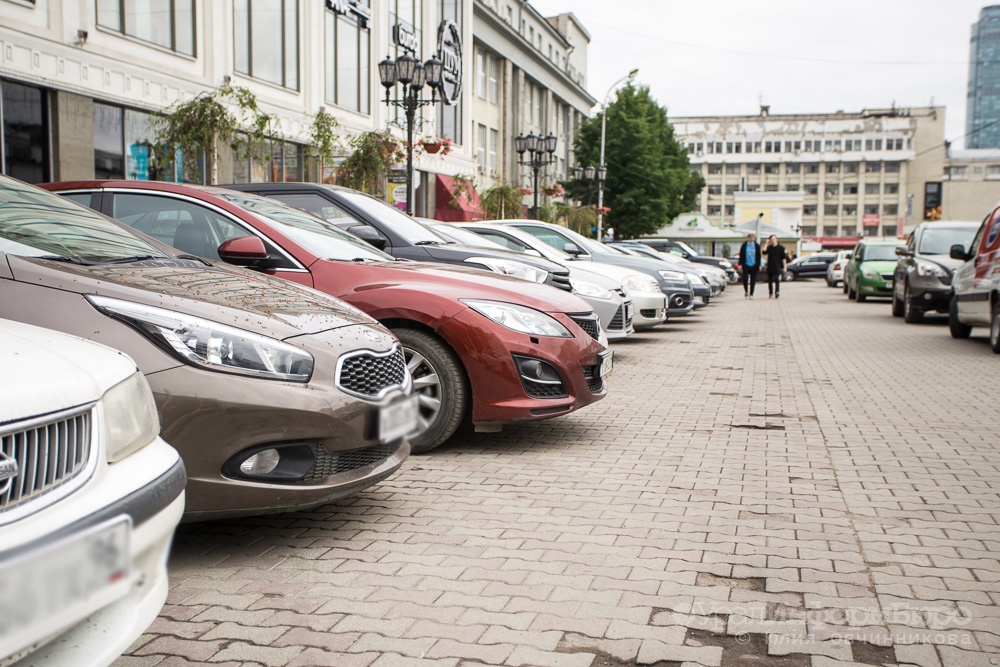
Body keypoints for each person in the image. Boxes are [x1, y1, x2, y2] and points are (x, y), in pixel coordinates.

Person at [738, 233, 761, 299]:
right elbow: (741, 254)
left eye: (753, 237)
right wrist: (740, 264)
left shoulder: (756, 246)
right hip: (746, 264)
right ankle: (746, 291)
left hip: (754, 265)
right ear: (748, 238)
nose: (751, 239)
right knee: (745, 278)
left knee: (753, 280)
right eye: (750, 237)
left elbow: (758, 256)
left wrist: (759, 265)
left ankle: (751, 293)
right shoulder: (744, 245)